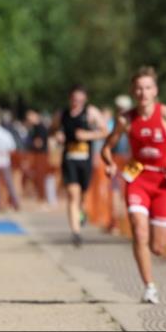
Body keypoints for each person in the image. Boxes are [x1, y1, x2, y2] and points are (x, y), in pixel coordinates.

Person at [102, 67, 166, 304]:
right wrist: (109, 164)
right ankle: (149, 286)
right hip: (138, 180)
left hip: (164, 182)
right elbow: (107, 147)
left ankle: (152, 263)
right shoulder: (126, 119)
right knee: (138, 229)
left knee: (157, 247)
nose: (143, 92)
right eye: (138, 88)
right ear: (132, 91)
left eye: (147, 88)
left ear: (155, 90)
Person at [51, 86, 108, 247]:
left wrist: (88, 135)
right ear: (70, 99)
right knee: (72, 194)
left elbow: (104, 131)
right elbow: (53, 129)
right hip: (69, 159)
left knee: (83, 194)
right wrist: (57, 135)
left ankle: (81, 212)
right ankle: (76, 233)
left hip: (85, 160)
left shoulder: (90, 113)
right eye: (74, 99)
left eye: (80, 100)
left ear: (85, 100)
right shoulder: (61, 114)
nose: (77, 102)